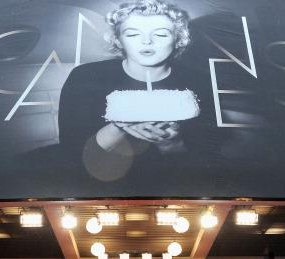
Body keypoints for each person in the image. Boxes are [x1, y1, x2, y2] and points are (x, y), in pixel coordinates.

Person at [58, 0, 202, 191]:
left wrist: (171, 143)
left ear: (178, 39)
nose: (147, 42)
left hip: (175, 191)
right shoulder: (85, 77)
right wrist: (117, 128)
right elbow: (71, 152)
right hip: (98, 190)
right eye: (133, 34)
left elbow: (208, 160)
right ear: (118, 40)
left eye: (160, 34)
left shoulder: (197, 81)